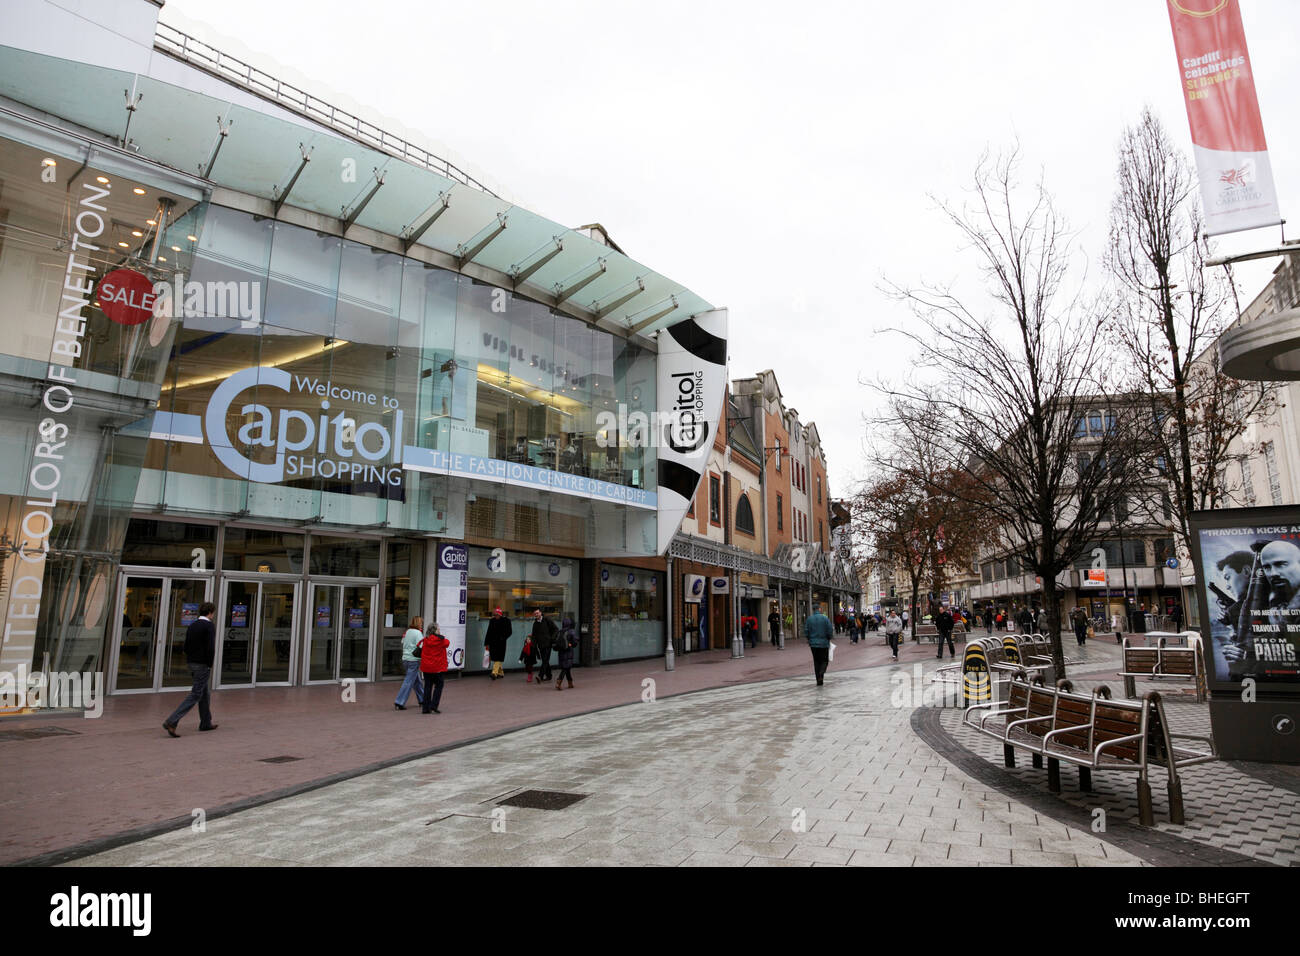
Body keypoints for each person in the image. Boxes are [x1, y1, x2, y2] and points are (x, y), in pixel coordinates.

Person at [163, 601, 217, 737]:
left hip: (192, 662)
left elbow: (186, 645)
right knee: (196, 694)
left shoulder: (193, 625)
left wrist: (190, 657)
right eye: (213, 612)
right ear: (211, 612)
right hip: (202, 664)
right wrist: (209, 663)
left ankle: (206, 722)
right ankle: (172, 721)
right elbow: (210, 647)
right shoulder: (209, 626)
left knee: (205, 693)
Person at [394, 615, 426, 710]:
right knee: (408, 682)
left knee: (417, 681)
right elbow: (421, 646)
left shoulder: (407, 632)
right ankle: (399, 702)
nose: (422, 625)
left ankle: (423, 699)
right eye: (421, 623)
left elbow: (403, 642)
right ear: (418, 623)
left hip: (405, 659)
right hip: (414, 660)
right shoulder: (418, 633)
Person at [418, 622, 450, 714]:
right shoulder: (440, 641)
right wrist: (440, 636)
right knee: (439, 686)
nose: (439, 630)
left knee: (427, 687)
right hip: (437, 668)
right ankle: (434, 706)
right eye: (438, 629)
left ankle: (425, 708)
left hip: (427, 668)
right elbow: (447, 643)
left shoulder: (426, 640)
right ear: (435, 630)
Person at [805, 603, 834, 685]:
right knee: (824, 660)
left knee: (816, 661)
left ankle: (819, 680)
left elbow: (806, 631)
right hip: (824, 643)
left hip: (813, 644)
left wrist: (809, 639)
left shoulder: (809, 619)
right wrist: (829, 637)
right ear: (819, 609)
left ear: (813, 610)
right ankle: (822, 672)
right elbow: (829, 630)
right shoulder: (825, 618)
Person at [484, 607, 512, 681]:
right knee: (495, 657)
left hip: (501, 643)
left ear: (500, 614)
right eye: (495, 614)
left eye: (497, 614)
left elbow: (509, 632)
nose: (495, 616)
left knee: (498, 657)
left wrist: (503, 638)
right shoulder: (492, 621)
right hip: (493, 642)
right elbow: (488, 632)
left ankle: (494, 673)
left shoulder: (506, 621)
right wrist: (486, 643)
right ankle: (501, 673)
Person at [532, 608, 557, 684]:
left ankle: (540, 676)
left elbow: (556, 629)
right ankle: (549, 676)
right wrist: (534, 645)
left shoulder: (547, 620)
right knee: (545, 661)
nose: (536, 614)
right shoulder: (535, 623)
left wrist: (551, 639)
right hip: (540, 645)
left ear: (540, 613)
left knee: (545, 660)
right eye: (535, 613)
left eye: (537, 613)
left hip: (548, 644)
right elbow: (534, 636)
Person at [555, 615, 577, 690]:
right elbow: (574, 642)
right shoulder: (571, 631)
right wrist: (572, 644)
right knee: (565, 668)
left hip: (561, 651)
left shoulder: (560, 631)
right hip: (568, 651)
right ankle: (559, 681)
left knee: (567, 668)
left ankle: (570, 683)